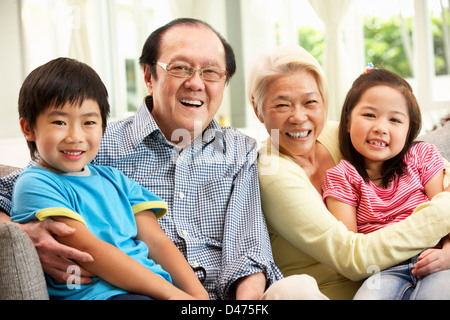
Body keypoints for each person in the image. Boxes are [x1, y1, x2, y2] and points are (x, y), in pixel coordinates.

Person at [0, 18, 321, 300]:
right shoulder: (96, 142)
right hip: (133, 292)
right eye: (180, 68)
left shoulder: (241, 151)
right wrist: (20, 232)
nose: (196, 83)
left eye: (211, 72)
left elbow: (247, 249)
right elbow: (12, 190)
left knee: (299, 291)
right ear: (149, 76)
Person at [247, 45, 450, 299]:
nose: (299, 117)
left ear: (324, 101)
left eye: (310, 101)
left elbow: (437, 170)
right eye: (282, 105)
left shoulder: (342, 133)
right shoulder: (271, 172)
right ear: (257, 109)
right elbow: (353, 257)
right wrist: (444, 210)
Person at [10, 57, 208, 300]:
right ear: (29, 128)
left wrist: (199, 298)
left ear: (103, 127)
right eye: (60, 122)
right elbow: (89, 250)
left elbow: (157, 241)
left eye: (89, 122)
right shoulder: (36, 183)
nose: (75, 136)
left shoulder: (115, 179)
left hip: (149, 291)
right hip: (100, 296)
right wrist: (171, 295)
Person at [322, 67, 450, 299]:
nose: (381, 128)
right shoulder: (340, 177)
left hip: (437, 259)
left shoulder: (421, 155)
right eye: (370, 115)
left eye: (395, 119)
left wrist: (448, 254)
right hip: (381, 272)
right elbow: (350, 249)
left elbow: (446, 211)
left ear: (408, 129)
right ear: (348, 121)